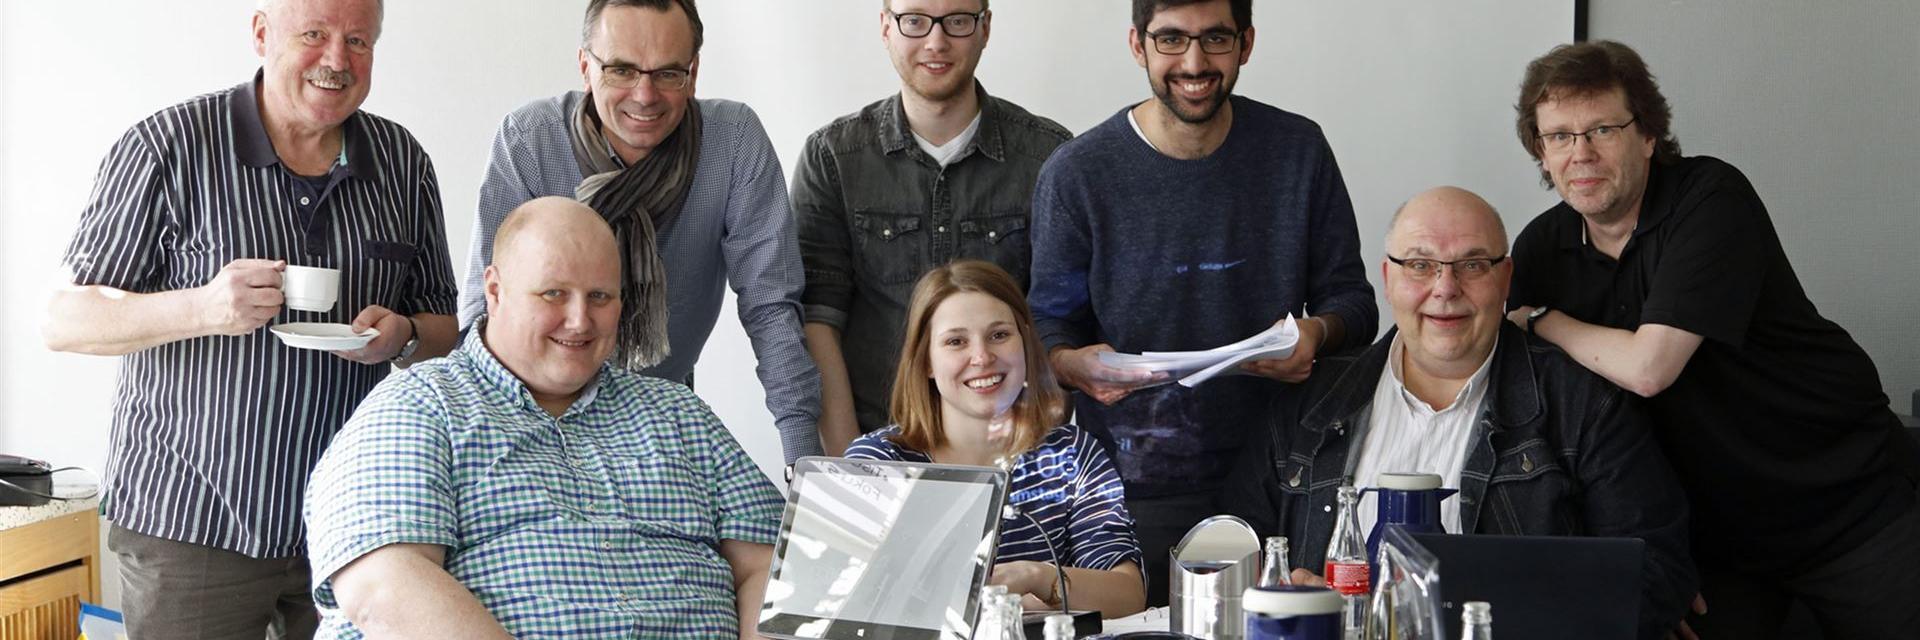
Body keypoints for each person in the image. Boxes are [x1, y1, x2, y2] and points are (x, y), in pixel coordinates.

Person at [41, 0, 459, 636]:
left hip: (356, 523)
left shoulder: (403, 162)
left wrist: (402, 339)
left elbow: (447, 331)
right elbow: (64, 319)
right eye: (314, 34)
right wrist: (204, 306)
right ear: (262, 33)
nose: (336, 60)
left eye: (358, 41)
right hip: (191, 525)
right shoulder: (169, 145)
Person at [1503, 40, 1920, 638]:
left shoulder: (1709, 196)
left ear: (1648, 134)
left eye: (1602, 130)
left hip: (1847, 506)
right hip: (1716, 545)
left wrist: (1541, 318)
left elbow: (1650, 368)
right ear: (1541, 152)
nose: (1581, 153)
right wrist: (1651, 563)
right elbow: (1556, 422)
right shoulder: (1541, 248)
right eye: (1560, 136)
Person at [1222, 187, 1697, 639]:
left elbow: (1658, 573)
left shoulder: (1584, 404)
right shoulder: (1308, 404)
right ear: (1388, 279)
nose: (1445, 288)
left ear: (1506, 278)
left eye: (1472, 265)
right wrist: (1285, 598)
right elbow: (1233, 560)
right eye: (1420, 265)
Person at [1025, 0, 1377, 604]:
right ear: (1137, 45)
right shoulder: (1077, 173)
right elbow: (1045, 323)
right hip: (1134, 485)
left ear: (1246, 43)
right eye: (1171, 40)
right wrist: (1072, 365)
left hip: (1287, 475)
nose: (1194, 62)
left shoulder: (1298, 150)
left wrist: (1317, 335)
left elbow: (1355, 302)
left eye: (1215, 39)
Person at [305, 197, 782, 638]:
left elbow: (773, 567)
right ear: (495, 290)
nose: (580, 320)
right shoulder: (419, 406)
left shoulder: (679, 413)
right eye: (554, 294)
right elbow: (383, 589)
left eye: (600, 296)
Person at [461, 0, 823, 461]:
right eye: (621, 70)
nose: (645, 95)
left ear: (693, 73)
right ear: (585, 67)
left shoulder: (732, 141)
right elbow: (484, 308)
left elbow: (771, 306)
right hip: (529, 415)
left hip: (661, 414)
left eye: (667, 73)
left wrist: (801, 461)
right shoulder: (530, 139)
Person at [794, 0, 1072, 454]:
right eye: (915, 21)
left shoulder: (1048, 156)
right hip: (877, 445)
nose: (936, 41)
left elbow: (1060, 318)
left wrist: (1032, 456)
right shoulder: (833, 158)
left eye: (958, 21)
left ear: (985, 28)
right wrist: (853, 467)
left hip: (1013, 453)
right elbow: (817, 319)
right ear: (886, 27)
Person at [845, 260, 1146, 618]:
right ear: (925, 361)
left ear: (1026, 343)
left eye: (999, 335)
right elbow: (842, 607)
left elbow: (1128, 595)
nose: (982, 357)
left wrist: (1036, 576)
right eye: (956, 341)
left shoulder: (1072, 454)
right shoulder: (877, 464)